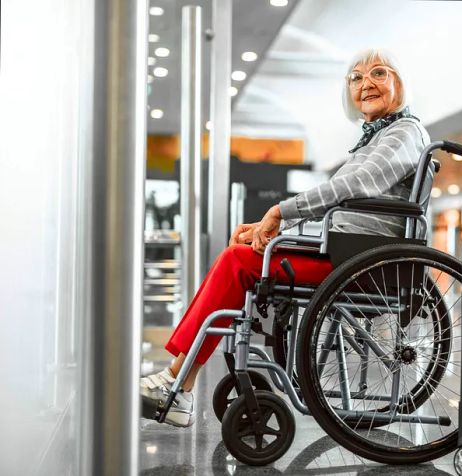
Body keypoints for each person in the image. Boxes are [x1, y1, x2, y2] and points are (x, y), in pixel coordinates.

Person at [140, 48, 430, 427]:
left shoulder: (404, 132)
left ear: (399, 82)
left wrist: (280, 213)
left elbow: (353, 186)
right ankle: (179, 378)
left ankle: (178, 383)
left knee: (236, 262)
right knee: (243, 251)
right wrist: (269, 227)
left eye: (378, 73)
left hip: (363, 260)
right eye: (355, 78)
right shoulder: (380, 137)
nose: (365, 84)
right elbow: (343, 207)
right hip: (349, 250)